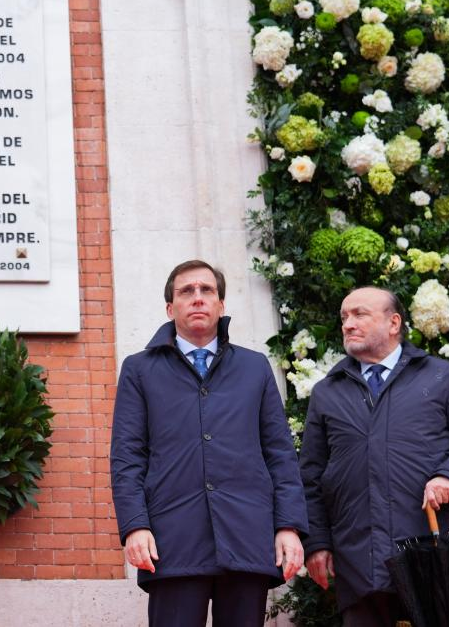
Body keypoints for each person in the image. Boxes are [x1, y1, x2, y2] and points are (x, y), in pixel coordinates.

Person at [110, 259, 307, 626]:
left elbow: (280, 453)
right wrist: (135, 525)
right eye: (186, 291)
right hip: (173, 539)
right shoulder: (139, 370)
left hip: (246, 534)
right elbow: (127, 456)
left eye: (207, 291)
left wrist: (288, 526)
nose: (197, 298)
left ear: (221, 304)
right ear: (171, 308)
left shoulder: (254, 367)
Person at [300, 286, 449, 627]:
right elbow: (311, 476)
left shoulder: (441, 376)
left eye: (359, 314)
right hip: (358, 560)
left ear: (394, 323)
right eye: (344, 317)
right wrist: (317, 544)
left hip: (436, 555)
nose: (348, 324)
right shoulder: (326, 393)